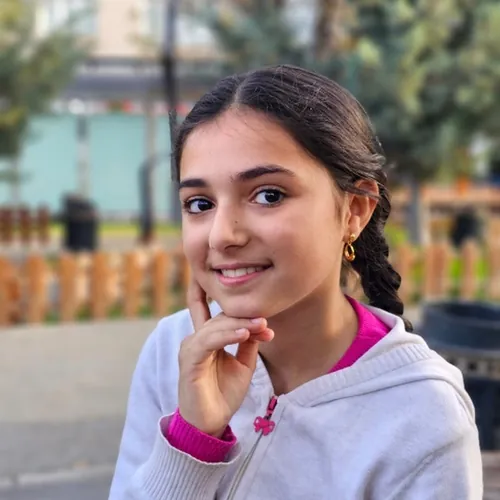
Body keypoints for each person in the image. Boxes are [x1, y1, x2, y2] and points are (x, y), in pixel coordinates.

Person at [109, 65, 482, 499]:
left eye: (269, 195)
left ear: (354, 211)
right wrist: (192, 439)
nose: (221, 235)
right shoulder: (174, 350)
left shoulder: (422, 416)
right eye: (199, 203)